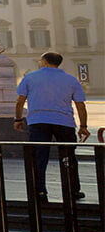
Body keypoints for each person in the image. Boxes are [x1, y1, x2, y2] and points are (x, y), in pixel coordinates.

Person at [15, 51, 91, 204]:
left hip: (38, 122)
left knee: (39, 158)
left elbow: (20, 101)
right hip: (64, 122)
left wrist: (18, 119)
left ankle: (40, 191)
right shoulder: (71, 80)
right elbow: (80, 105)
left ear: (44, 61)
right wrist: (83, 126)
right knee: (68, 157)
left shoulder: (30, 78)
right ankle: (73, 190)